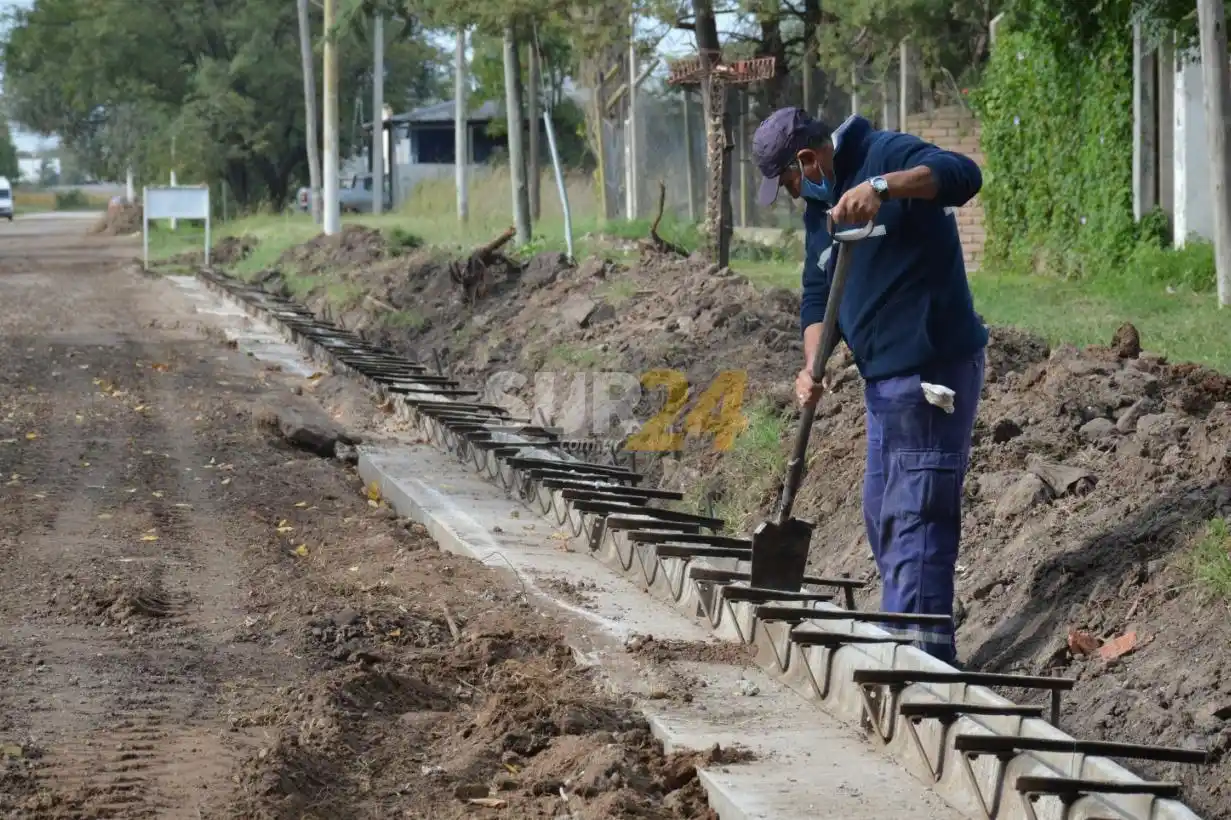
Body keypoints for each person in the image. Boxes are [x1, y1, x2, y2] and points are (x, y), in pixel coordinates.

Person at [751, 107, 988, 667]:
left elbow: (962, 174)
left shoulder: (884, 153)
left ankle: (922, 666)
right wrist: (813, 363)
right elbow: (817, 296)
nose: (791, 195)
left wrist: (880, 188)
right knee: (882, 512)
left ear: (806, 159)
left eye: (787, 181)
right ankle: (904, 642)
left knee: (917, 514)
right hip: (882, 384)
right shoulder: (819, 210)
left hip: (932, 370)